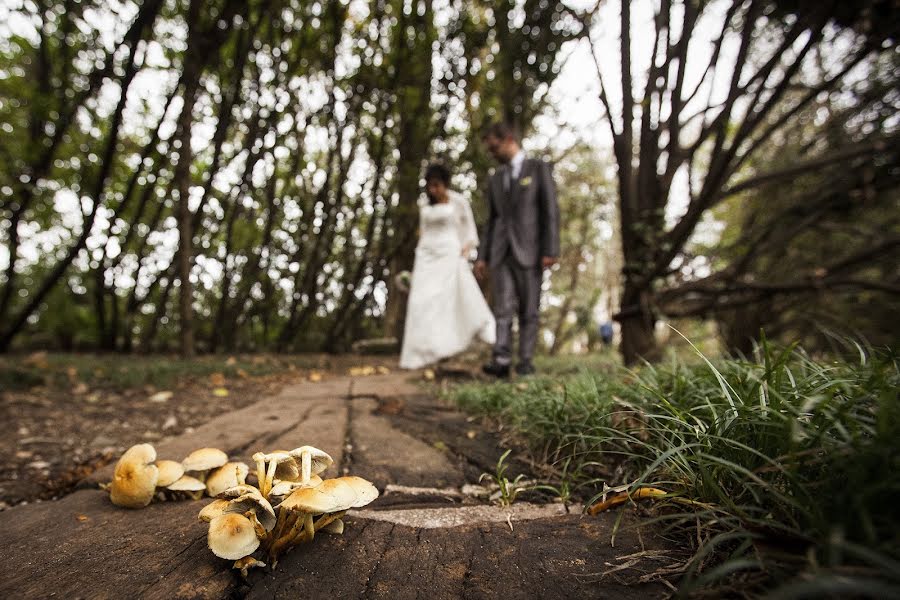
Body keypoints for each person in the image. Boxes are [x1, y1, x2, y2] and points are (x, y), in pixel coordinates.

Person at [475, 122, 560, 378]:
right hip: (501, 251)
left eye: (494, 147)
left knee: (529, 309)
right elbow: (491, 220)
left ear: (509, 139)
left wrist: (551, 248)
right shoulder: (496, 178)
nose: (493, 153)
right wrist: (482, 256)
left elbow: (550, 211)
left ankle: (525, 361)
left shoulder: (537, 168)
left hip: (531, 250)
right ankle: (501, 359)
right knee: (502, 308)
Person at [399, 164, 496, 369]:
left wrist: (466, 250)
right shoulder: (425, 206)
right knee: (421, 301)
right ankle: (423, 351)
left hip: (449, 253)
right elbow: (423, 233)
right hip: (426, 255)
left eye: (436, 185)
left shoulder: (458, 201)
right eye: (429, 186)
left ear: (445, 184)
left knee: (447, 300)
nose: (432, 190)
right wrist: (417, 264)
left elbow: (469, 231)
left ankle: (447, 345)